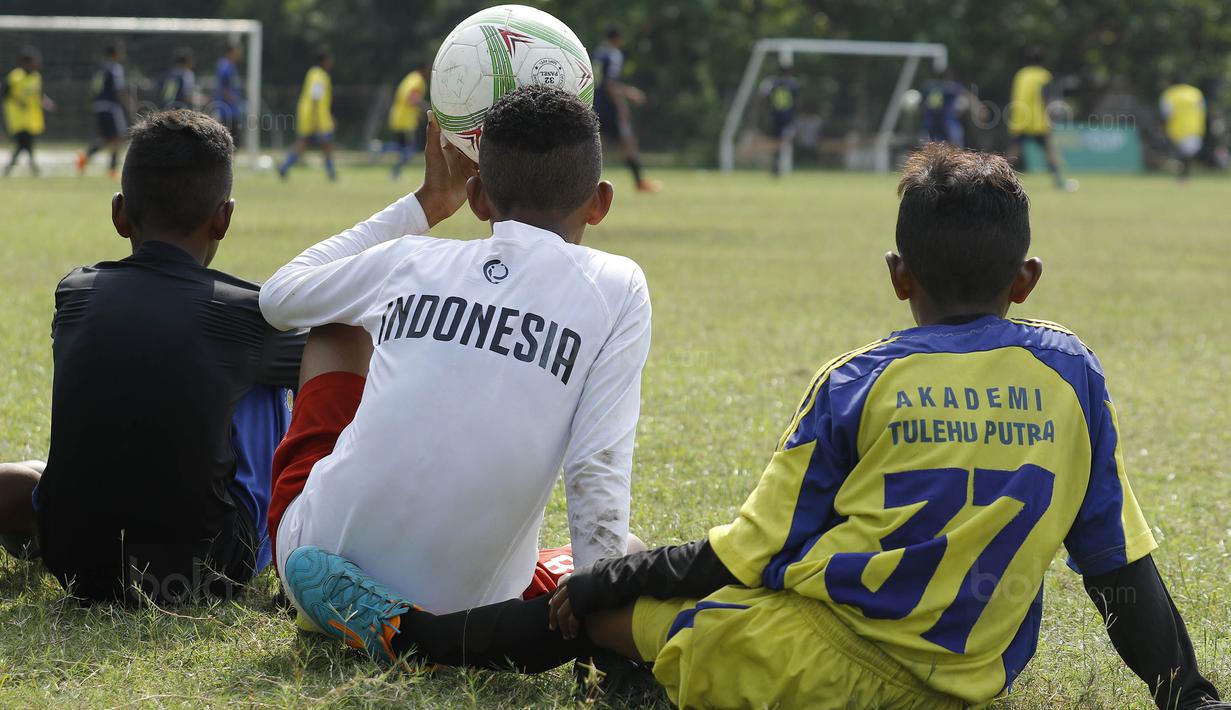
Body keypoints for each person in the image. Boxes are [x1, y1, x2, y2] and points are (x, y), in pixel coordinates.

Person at [282, 144, 1224, 710]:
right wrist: (1188, 694)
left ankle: (410, 637)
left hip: (824, 668)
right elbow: (1119, 568)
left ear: (898, 275)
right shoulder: (1071, 372)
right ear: (1026, 281)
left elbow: (743, 555)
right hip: (976, 677)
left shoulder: (859, 383)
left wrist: (610, 580)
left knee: (599, 606)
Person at [260, 86, 652, 630]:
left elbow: (280, 297)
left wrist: (426, 203)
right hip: (476, 607)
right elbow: (596, 466)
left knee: (336, 324)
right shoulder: (619, 285)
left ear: (478, 199)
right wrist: (597, 610)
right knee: (628, 548)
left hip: (314, 559)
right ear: (601, 201)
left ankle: (357, 601)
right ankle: (426, 622)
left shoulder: (410, 259)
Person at [0, 110, 306, 604]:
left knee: (37, 472)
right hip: (208, 571)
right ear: (223, 219)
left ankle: (44, 513)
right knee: (263, 371)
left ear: (119, 213)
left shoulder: (75, 294)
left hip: (76, 562)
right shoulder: (250, 315)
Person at [593, 27, 660, 193]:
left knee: (593, 145)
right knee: (628, 142)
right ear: (618, 39)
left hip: (593, 104)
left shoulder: (596, 53)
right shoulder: (613, 55)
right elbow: (610, 85)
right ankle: (640, 182)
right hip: (609, 107)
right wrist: (627, 99)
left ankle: (586, 185)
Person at [1005, 49, 1076, 191]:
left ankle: (1002, 179)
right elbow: (1046, 97)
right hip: (1037, 120)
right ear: (1043, 62)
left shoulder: (1021, 74)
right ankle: (1058, 182)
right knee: (1050, 150)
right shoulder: (1043, 76)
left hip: (1019, 118)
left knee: (1014, 151)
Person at [279, 47, 336, 181]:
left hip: (311, 116)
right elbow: (316, 98)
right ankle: (331, 173)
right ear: (325, 60)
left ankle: (284, 167)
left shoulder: (313, 73)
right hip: (316, 118)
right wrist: (316, 121)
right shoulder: (318, 75)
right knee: (326, 143)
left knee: (305, 143)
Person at [77, 41, 128, 179]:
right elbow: (118, 90)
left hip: (99, 106)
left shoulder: (100, 68)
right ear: (116, 53)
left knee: (107, 139)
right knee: (117, 138)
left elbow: (93, 88)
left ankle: (84, 157)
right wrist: (127, 104)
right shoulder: (115, 68)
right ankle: (112, 170)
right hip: (111, 107)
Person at [3, 46, 52, 177]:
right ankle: (33, 167)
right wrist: (17, 101)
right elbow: (4, 93)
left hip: (31, 117)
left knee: (24, 144)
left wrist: (46, 102)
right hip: (17, 117)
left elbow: (38, 94)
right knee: (24, 142)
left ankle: (10, 168)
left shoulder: (36, 77)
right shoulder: (15, 77)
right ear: (26, 63)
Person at [385, 60, 428, 180]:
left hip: (397, 116)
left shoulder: (410, 78)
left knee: (400, 148)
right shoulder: (418, 80)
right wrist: (426, 108)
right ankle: (395, 171)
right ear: (424, 69)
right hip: (406, 120)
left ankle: (380, 148)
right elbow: (412, 98)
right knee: (410, 149)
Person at [1160, 74, 1206, 182]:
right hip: (1194, 127)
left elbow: (1166, 114)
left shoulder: (1169, 94)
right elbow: (1202, 111)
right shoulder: (1195, 93)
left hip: (1175, 129)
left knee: (1181, 154)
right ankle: (1184, 176)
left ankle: (1182, 176)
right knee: (1187, 155)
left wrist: (1162, 127)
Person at [759, 64, 798, 176]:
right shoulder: (791, 84)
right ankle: (776, 163)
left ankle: (775, 163)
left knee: (778, 141)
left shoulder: (771, 82)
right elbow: (796, 102)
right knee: (782, 141)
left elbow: (763, 98)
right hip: (785, 118)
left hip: (775, 117)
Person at [921, 68, 976, 148]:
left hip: (941, 125)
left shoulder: (929, 88)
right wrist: (978, 109)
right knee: (953, 148)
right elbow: (968, 95)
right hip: (943, 124)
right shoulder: (948, 88)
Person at [214, 42, 243, 145]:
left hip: (233, 110)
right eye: (238, 50)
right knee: (229, 141)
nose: (240, 53)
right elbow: (222, 88)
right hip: (226, 110)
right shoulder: (225, 66)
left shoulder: (231, 66)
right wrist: (234, 99)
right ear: (231, 52)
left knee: (235, 141)